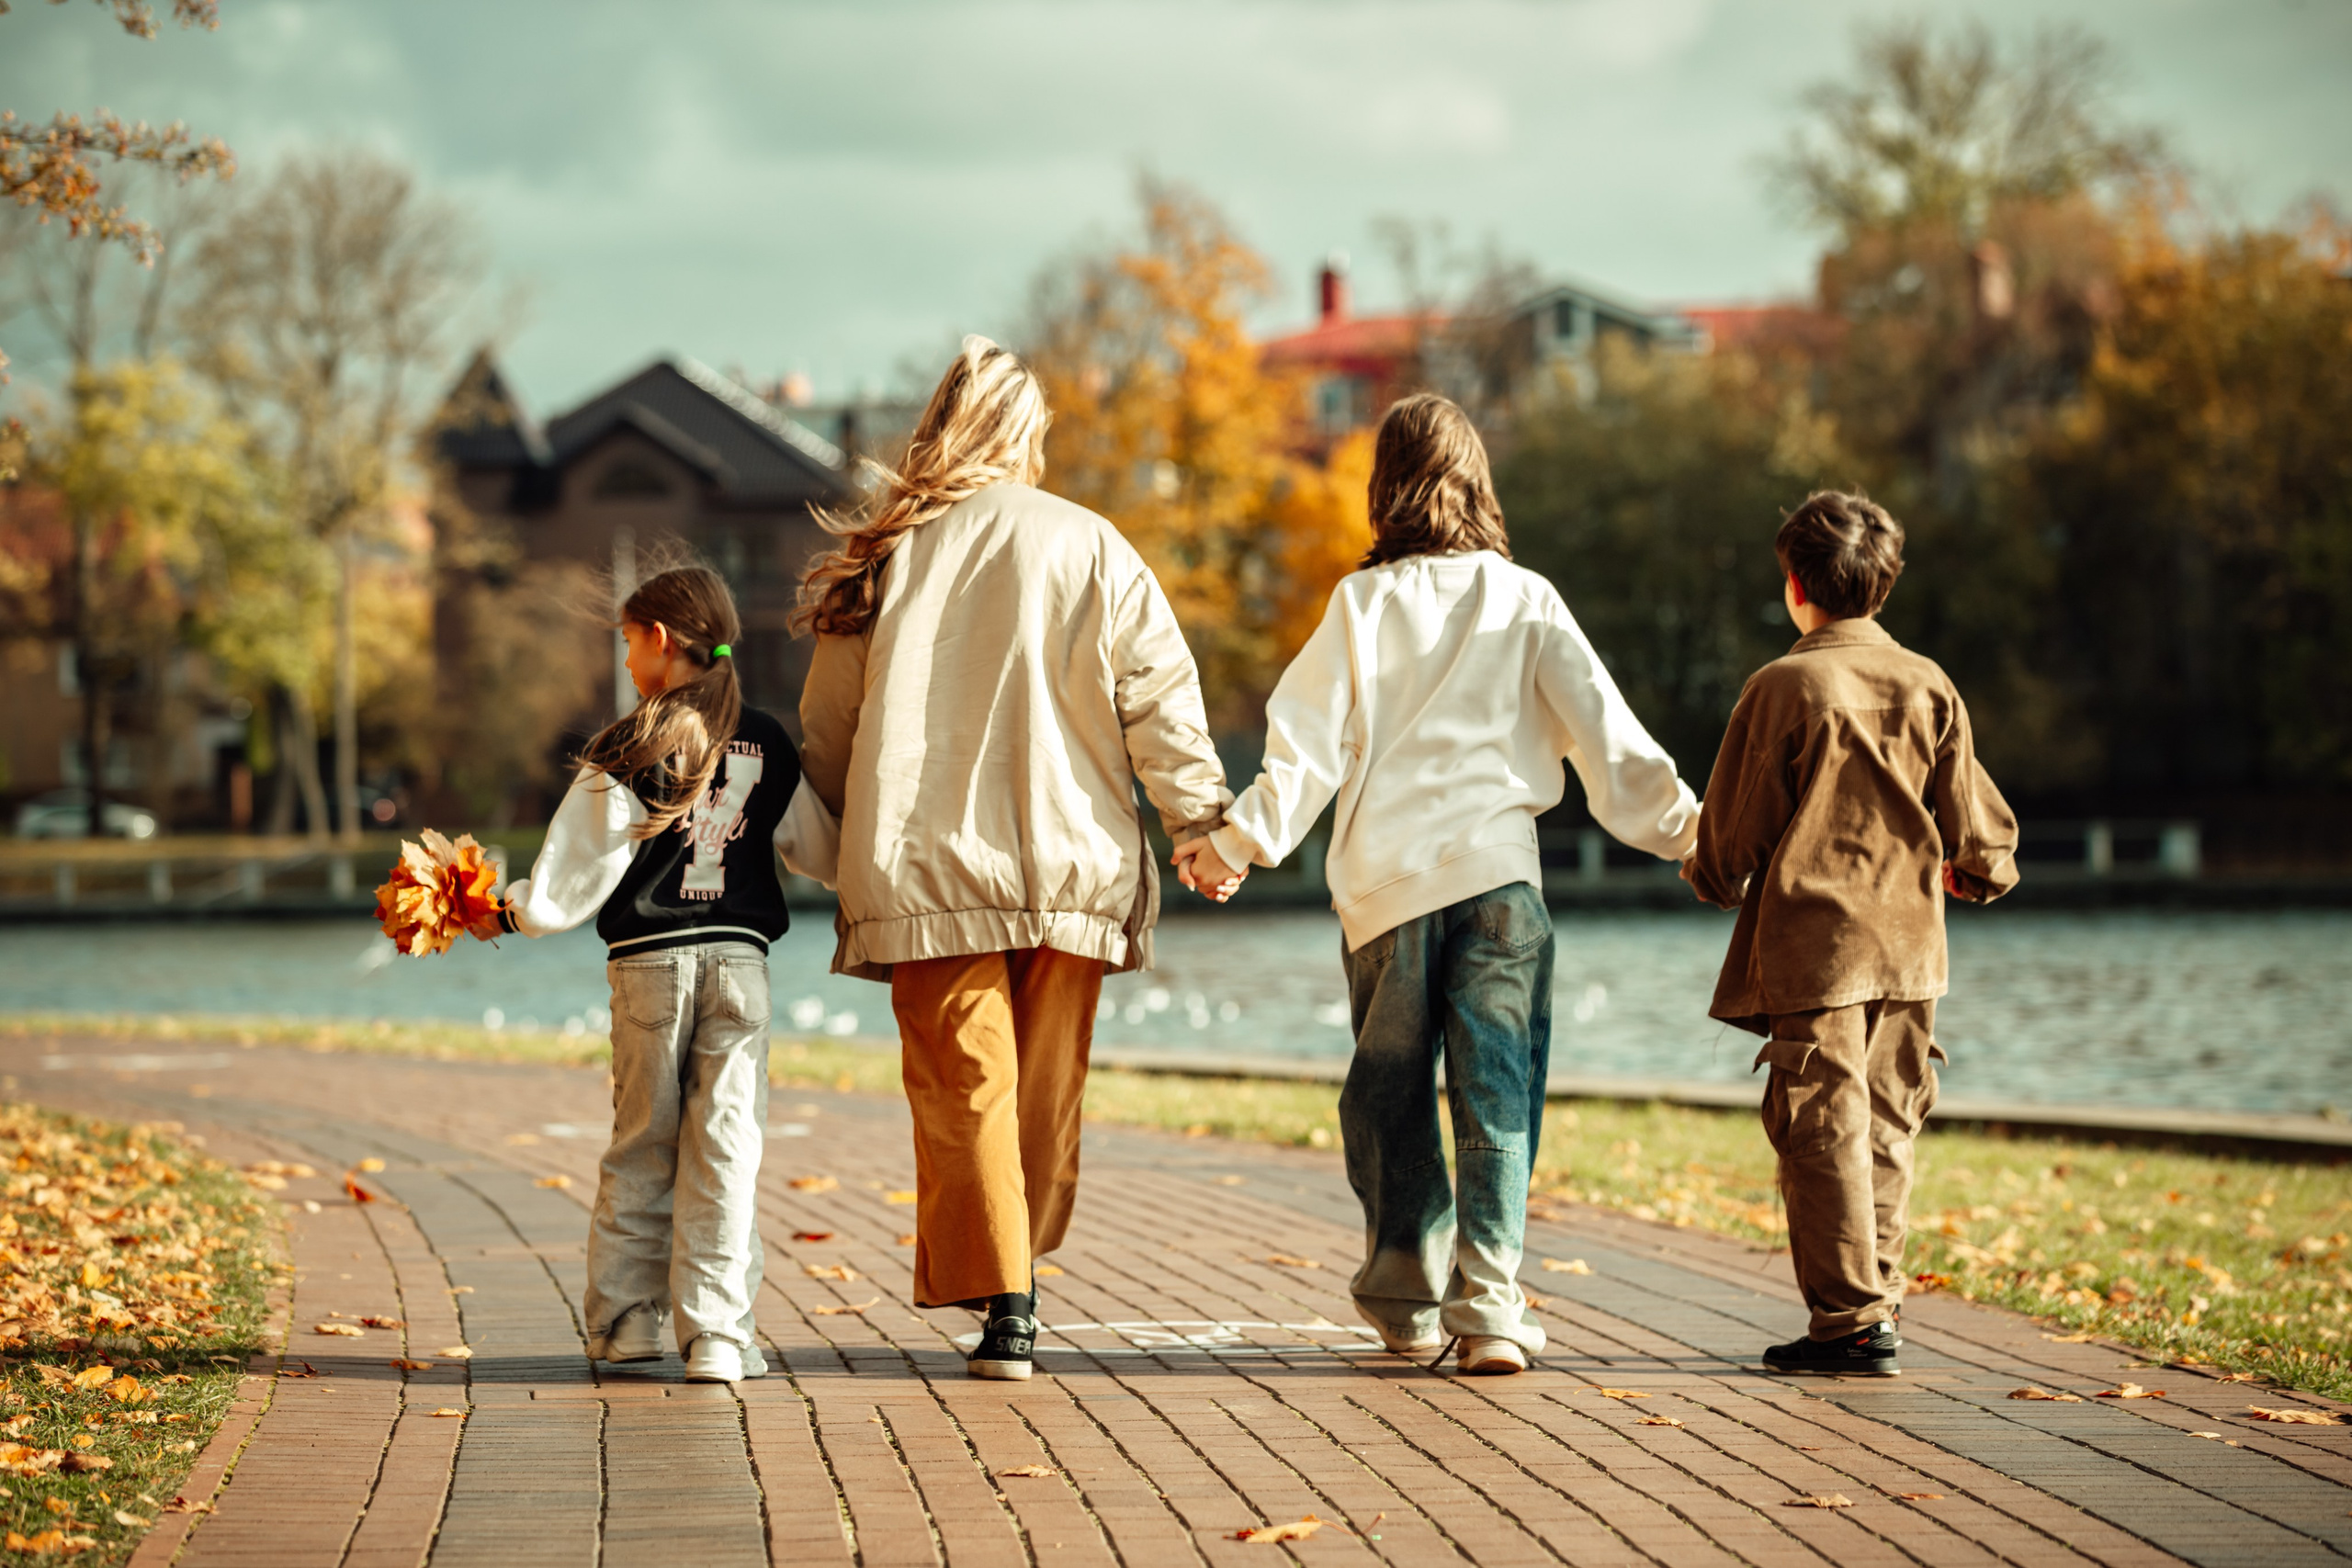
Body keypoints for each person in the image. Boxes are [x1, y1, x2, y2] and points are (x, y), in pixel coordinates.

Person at [1173, 394, 1700, 1376]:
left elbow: (1305, 753)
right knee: (1496, 1093)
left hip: (1388, 895)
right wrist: (1695, 838)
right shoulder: (1527, 598)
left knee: (1388, 1097)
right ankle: (1491, 1305)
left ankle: (1405, 1294)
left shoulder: (1360, 606)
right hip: (1501, 881)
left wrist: (1237, 845)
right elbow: (1608, 740)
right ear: (1476, 484)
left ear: (1384, 490)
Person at [796, 336, 1231, 1382]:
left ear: (939, 426)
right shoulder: (1096, 547)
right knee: (1042, 1092)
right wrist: (1199, 823)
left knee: (966, 1089)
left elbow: (828, 732)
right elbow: (1159, 703)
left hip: (929, 867)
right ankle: (1016, 1284)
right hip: (1072, 867)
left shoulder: (884, 559)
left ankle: (1007, 1306)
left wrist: (847, 837)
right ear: (1026, 434)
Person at [1681, 491, 2018, 1377]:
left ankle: (1850, 1322)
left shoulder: (1782, 686)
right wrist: (1973, 872)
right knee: (1887, 1123)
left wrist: (1711, 878)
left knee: (1820, 1123)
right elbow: (1982, 833)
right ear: (1885, 583)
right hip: (1913, 951)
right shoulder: (1930, 683)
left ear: (1796, 585)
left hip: (1816, 950)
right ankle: (1878, 1302)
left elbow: (1731, 836)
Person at [499, 565, 840, 1383]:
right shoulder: (765, 739)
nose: (624, 661)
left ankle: (624, 1323)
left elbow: (564, 884)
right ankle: (718, 1334)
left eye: (626, 642)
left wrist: (508, 910)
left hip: (648, 969)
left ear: (658, 639)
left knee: (642, 1145)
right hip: (739, 968)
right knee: (726, 1145)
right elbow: (820, 852)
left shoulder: (629, 744)